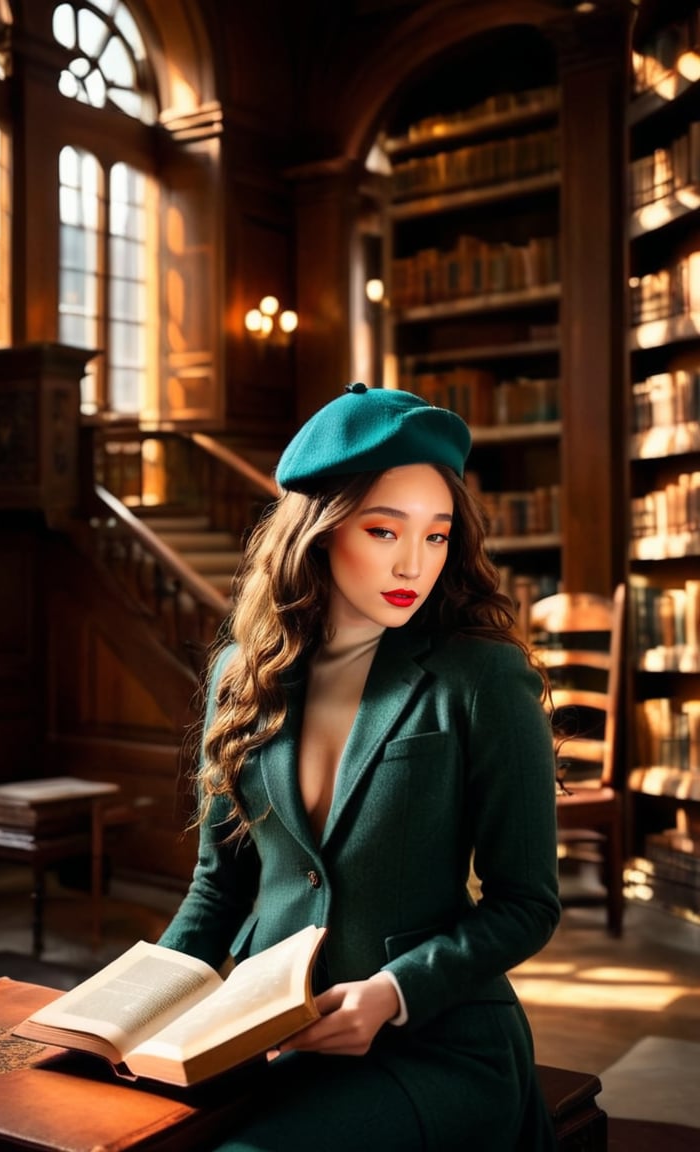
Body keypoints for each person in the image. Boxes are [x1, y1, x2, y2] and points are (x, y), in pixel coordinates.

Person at [159, 383, 561, 1150]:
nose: (415, 561)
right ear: (318, 530)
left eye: (437, 536)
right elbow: (219, 885)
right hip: (263, 1037)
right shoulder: (242, 677)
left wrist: (392, 993)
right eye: (384, 530)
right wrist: (138, 1005)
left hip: (434, 1046)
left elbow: (525, 903)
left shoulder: (481, 678)